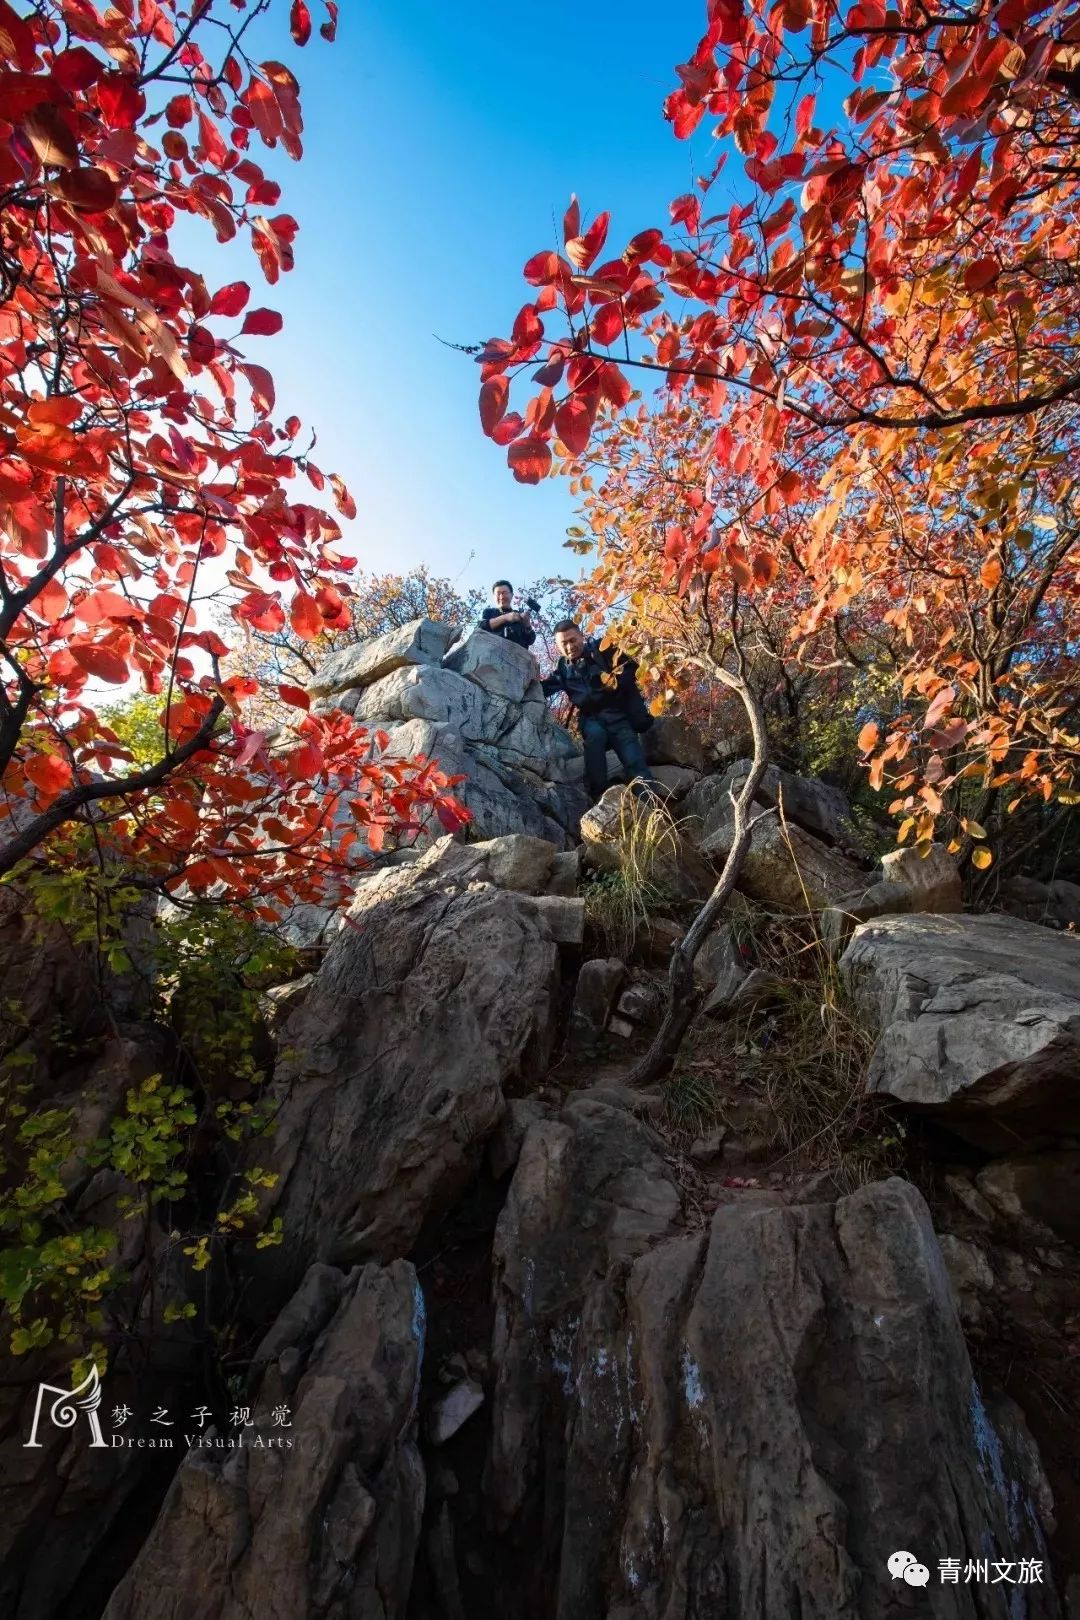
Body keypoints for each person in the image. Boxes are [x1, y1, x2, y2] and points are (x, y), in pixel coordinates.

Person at [542, 620, 658, 802]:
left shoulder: (602, 651)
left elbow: (632, 668)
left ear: (581, 636)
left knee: (635, 762)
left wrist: (615, 684)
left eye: (573, 640)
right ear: (558, 646)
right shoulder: (563, 671)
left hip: (617, 715)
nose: (570, 646)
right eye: (563, 643)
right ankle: (601, 806)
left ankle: (654, 809)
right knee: (594, 753)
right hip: (591, 720)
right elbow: (543, 688)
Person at [478, 580, 536, 649]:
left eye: (504, 593)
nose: (501, 597)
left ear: (511, 595)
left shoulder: (519, 615)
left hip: (517, 657)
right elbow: (481, 627)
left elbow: (530, 640)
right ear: (494, 597)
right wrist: (505, 618)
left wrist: (527, 625)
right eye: (498, 594)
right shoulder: (489, 612)